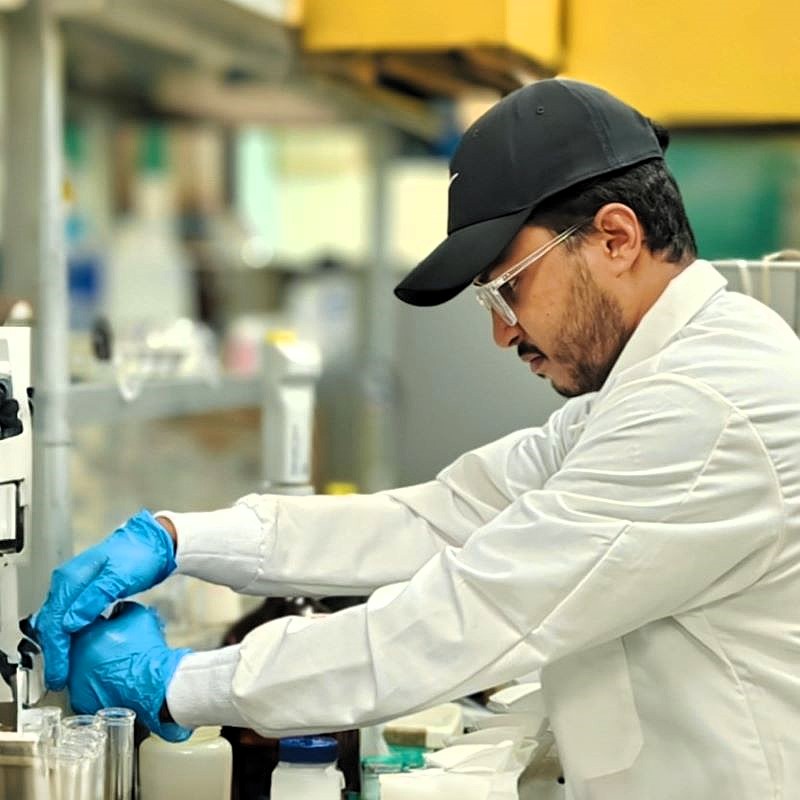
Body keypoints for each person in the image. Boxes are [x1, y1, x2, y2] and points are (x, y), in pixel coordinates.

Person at [34, 79, 800, 800]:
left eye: (508, 288)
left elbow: (464, 617)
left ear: (615, 238)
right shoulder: (652, 388)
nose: (502, 333)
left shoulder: (704, 407)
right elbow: (436, 519)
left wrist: (179, 683)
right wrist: (178, 537)